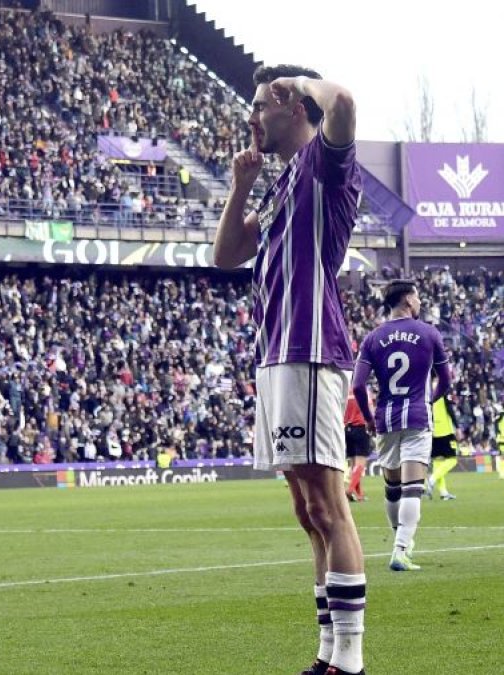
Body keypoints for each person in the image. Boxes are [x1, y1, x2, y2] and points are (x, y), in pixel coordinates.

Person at [212, 64, 365, 675]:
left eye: (261, 105)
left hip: (308, 347)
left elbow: (345, 100)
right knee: (308, 513)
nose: (253, 116)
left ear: (293, 107)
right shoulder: (278, 186)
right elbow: (225, 256)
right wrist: (239, 187)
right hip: (275, 354)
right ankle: (327, 652)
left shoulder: (324, 166)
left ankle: (349, 661)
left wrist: (303, 82)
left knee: (329, 505)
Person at [352, 279, 451, 574]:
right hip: (417, 417)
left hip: (385, 418)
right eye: (417, 297)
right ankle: (401, 549)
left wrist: (369, 418)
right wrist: (430, 400)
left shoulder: (372, 338)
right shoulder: (429, 333)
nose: (420, 302)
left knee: (392, 488)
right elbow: (446, 380)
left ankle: (399, 538)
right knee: (412, 489)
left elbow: (358, 385)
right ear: (408, 299)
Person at [344, 357, 372, 503]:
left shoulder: (346, 391)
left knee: (353, 464)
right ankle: (349, 490)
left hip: (347, 429)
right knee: (361, 464)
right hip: (360, 427)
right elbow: (369, 409)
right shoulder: (362, 390)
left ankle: (358, 494)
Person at [428, 394, 460, 500]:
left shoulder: (427, 391)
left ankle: (443, 492)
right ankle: (432, 479)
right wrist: (458, 427)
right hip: (445, 431)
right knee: (452, 460)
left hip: (433, 432)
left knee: (438, 462)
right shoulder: (443, 389)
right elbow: (450, 409)